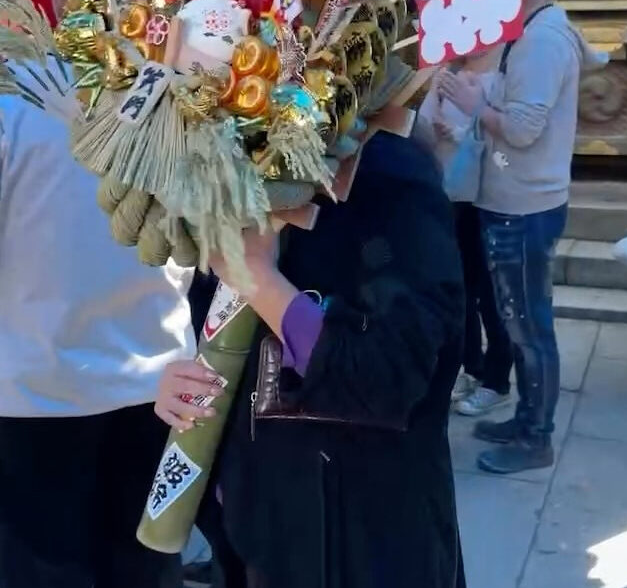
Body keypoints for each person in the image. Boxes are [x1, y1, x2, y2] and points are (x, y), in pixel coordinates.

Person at [154, 133, 466, 588]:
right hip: (263, 524)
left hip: (365, 532)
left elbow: (388, 374)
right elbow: (210, 323)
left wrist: (258, 278)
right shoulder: (233, 162)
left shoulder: (387, 176)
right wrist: (179, 379)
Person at [0, 0, 196, 588]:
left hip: (36, 399)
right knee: (147, 568)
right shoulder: (187, 103)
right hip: (159, 394)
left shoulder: (15, 104)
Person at [438, 0, 606, 474]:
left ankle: (536, 436)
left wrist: (472, 101)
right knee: (517, 320)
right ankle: (526, 418)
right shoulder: (527, 29)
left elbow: (524, 128)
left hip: (525, 205)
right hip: (514, 198)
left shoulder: (542, 38)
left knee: (529, 325)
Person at [416, 59, 515, 417]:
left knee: (492, 294)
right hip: (451, 196)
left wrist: (464, 133)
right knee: (460, 289)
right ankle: (470, 368)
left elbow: (509, 142)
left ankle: (497, 380)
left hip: (491, 198)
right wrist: (434, 125)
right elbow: (422, 126)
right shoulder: (446, 71)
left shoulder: (506, 69)